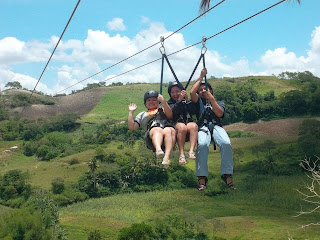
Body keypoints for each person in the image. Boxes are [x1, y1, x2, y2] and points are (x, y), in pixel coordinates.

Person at [190, 68, 235, 191]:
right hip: (203, 126)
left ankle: (227, 174)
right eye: (200, 90)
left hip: (216, 126)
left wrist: (212, 99)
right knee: (203, 144)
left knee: (226, 143)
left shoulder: (219, 102)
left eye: (205, 89)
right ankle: (202, 177)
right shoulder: (198, 102)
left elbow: (220, 114)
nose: (202, 91)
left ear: (211, 91)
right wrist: (200, 77)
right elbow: (192, 93)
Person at [128, 90, 176, 165]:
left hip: (167, 134)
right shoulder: (142, 114)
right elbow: (132, 127)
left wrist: (163, 102)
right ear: (145, 103)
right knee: (157, 129)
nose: (151, 102)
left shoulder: (163, 109)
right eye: (149, 100)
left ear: (158, 101)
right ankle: (158, 150)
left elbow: (170, 115)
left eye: (154, 100)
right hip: (151, 136)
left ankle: (166, 157)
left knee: (169, 129)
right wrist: (131, 113)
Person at [167, 82, 198, 164]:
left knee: (194, 126)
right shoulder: (169, 103)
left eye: (177, 91)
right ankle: (181, 154)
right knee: (182, 127)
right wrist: (179, 101)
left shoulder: (186, 101)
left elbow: (193, 111)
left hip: (188, 121)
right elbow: (173, 113)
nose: (175, 94)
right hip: (176, 123)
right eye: (172, 92)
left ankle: (191, 151)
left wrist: (187, 99)